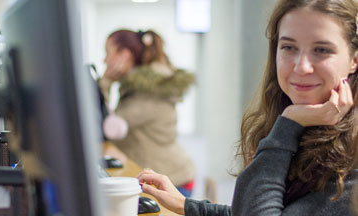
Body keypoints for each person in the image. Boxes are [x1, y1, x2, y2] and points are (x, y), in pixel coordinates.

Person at [137, 0, 358, 215]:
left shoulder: (350, 156)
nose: (301, 67)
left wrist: (289, 123)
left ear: (354, 60)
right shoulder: (308, 126)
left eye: (321, 50)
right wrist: (185, 205)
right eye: (289, 47)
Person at [98, 29, 196, 197]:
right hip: (166, 174)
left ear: (125, 55)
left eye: (108, 53)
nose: (105, 59)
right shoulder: (138, 87)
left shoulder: (148, 92)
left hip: (172, 180)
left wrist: (106, 81)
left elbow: (110, 128)